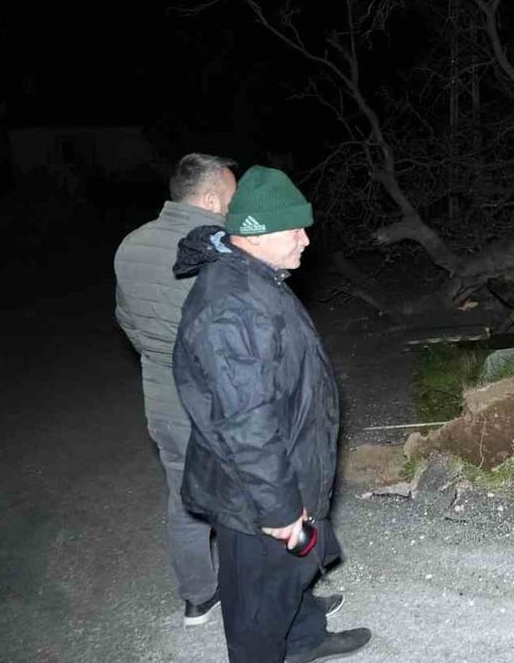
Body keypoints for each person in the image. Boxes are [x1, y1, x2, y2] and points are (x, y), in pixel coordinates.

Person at [172, 166, 370, 662]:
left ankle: (304, 639)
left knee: (294, 569)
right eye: (294, 230)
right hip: (253, 491)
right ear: (255, 233)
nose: (306, 240)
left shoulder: (254, 275)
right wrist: (280, 509)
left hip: (284, 470)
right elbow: (246, 423)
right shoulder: (233, 306)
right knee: (258, 606)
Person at [114, 153, 237, 625]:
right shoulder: (215, 247)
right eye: (228, 198)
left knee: (184, 497)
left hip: (163, 397)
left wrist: (159, 354)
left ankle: (198, 598)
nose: (231, 209)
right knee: (248, 494)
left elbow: (126, 319)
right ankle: (257, 594)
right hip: (216, 398)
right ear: (207, 198)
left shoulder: (130, 245)